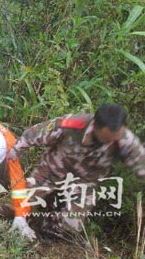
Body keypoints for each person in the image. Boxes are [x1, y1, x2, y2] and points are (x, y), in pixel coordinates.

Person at [13, 103, 145, 241]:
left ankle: (48, 232)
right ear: (95, 126)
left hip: (85, 182)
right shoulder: (74, 125)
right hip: (52, 171)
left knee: (69, 226)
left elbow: (142, 164)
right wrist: (16, 148)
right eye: (107, 139)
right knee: (15, 207)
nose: (110, 142)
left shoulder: (125, 140)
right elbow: (38, 132)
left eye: (115, 138)